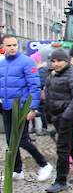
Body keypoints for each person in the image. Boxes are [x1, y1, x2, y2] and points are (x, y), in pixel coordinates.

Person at [0, 34, 52, 181]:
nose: (12, 48)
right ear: (3, 47)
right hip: (6, 108)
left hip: (22, 108)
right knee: (11, 141)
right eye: (8, 45)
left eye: (14, 45)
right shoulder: (2, 64)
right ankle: (17, 170)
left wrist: (32, 108)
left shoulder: (27, 62)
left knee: (21, 140)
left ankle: (44, 165)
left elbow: (34, 87)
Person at [44, 49, 73, 193]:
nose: (56, 63)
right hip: (57, 116)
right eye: (53, 61)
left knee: (63, 148)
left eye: (59, 60)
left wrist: (66, 116)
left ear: (66, 61)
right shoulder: (53, 74)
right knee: (70, 145)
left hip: (68, 117)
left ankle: (61, 180)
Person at [29, 52, 48, 136]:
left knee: (41, 111)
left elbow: (41, 83)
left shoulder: (42, 70)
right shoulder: (35, 69)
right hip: (34, 93)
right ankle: (34, 128)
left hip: (39, 94)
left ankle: (44, 128)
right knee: (32, 110)